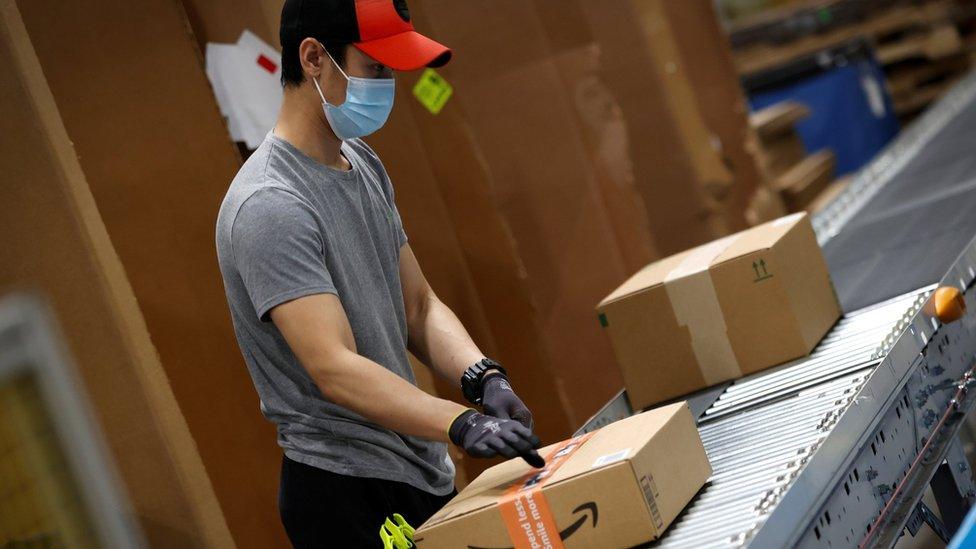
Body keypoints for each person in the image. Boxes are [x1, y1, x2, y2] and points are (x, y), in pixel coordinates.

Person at [215, 0, 541, 546]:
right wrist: (459, 423)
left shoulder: (362, 163)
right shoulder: (270, 205)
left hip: (415, 467)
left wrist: (483, 378)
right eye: (375, 68)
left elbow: (419, 306)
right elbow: (334, 368)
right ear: (315, 58)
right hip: (346, 491)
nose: (387, 86)